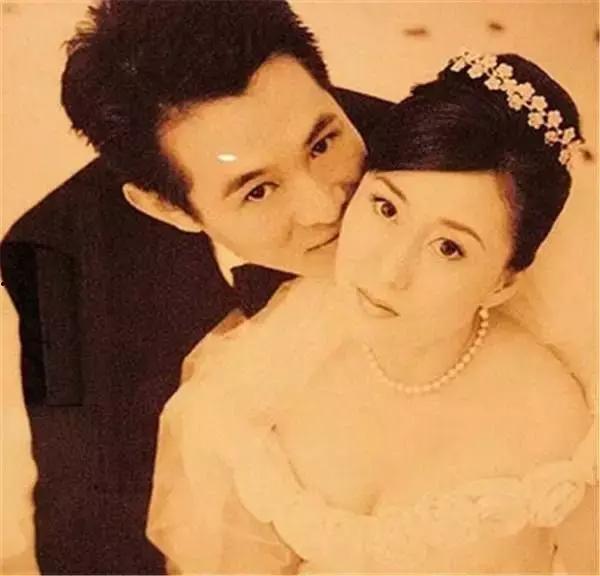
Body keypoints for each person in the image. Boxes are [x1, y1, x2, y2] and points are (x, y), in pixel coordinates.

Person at [148, 52, 597, 574]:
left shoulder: (557, 424)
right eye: (386, 208)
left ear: (503, 283)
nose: (390, 271)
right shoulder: (272, 364)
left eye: (448, 247)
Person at [0, 1, 391, 572]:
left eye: (322, 143)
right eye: (258, 191)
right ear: (165, 208)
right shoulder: (60, 253)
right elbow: (89, 518)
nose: (325, 207)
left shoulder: (451, 161)